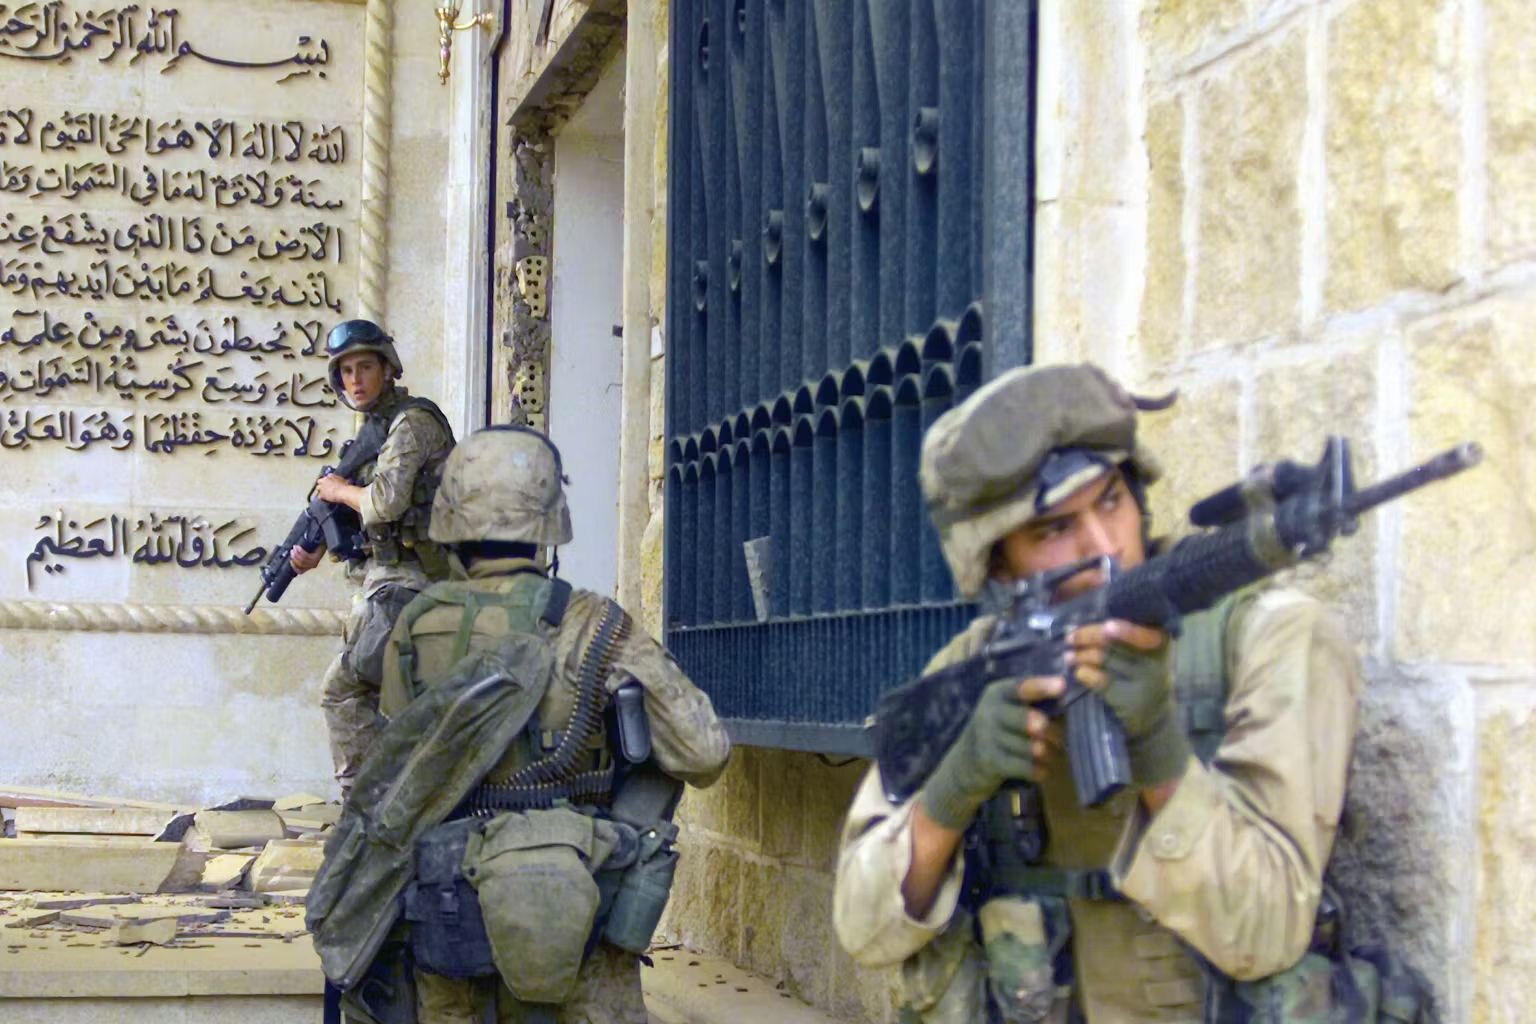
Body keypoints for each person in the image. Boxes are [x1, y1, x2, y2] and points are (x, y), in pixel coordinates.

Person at [832, 363, 1367, 1020]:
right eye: (1054, 529)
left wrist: (1155, 742)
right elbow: (863, 929)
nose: (1104, 546)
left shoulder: (1271, 637)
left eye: (1111, 501)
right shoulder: (971, 669)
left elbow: (1267, 932)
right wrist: (952, 790)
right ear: (998, 563)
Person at [377, 424, 732, 1024]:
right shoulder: (597, 624)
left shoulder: (414, 625)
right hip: (580, 914)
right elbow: (702, 753)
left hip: (451, 913)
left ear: (452, 522)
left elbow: (392, 767)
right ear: (548, 521)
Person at [290, 318, 456, 797]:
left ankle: (369, 816)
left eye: (365, 367)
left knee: (343, 691)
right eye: (345, 372)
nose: (355, 380)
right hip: (387, 585)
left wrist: (339, 490)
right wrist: (315, 546)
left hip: (415, 585)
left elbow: (383, 502)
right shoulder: (375, 434)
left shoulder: (412, 423)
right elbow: (364, 522)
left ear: (388, 369)